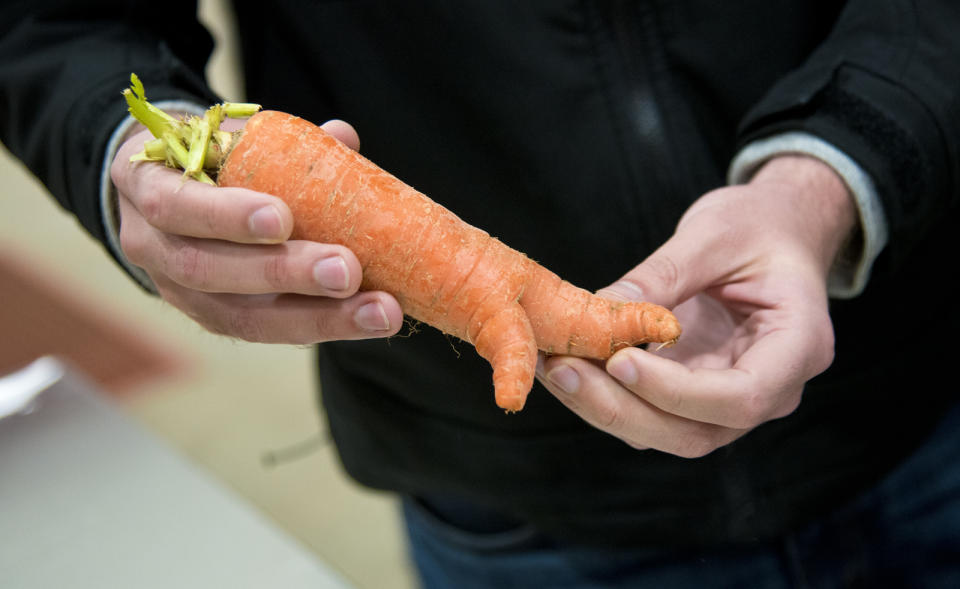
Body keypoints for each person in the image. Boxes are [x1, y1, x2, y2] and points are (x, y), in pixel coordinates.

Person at [3, 1, 959, 586]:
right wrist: (124, 141)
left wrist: (834, 169)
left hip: (922, 407)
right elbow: (51, 19)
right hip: (509, 502)